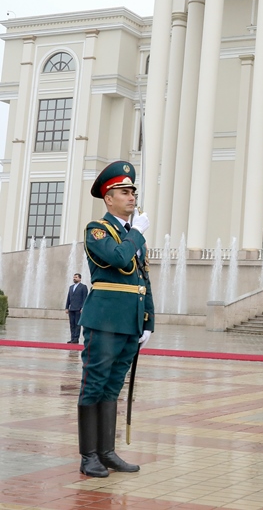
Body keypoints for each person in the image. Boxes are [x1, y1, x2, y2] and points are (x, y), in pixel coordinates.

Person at [77, 160, 153, 478]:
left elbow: (143, 281)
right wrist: (135, 232)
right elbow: (119, 258)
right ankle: (88, 456)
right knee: (94, 386)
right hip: (104, 320)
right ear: (108, 198)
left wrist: (148, 322)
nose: (131, 196)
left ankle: (107, 452)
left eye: (133, 190)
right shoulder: (97, 230)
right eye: (124, 191)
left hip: (130, 322)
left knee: (112, 388)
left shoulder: (134, 237)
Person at [65, 273, 88, 344]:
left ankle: (76, 338)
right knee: (72, 324)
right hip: (71, 308)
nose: (74, 278)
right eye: (74, 277)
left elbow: (85, 298)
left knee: (77, 324)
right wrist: (66, 307)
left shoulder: (83, 287)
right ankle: (72, 338)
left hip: (78, 309)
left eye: (76, 277)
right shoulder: (71, 287)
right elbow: (68, 298)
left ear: (80, 279)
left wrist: (83, 307)